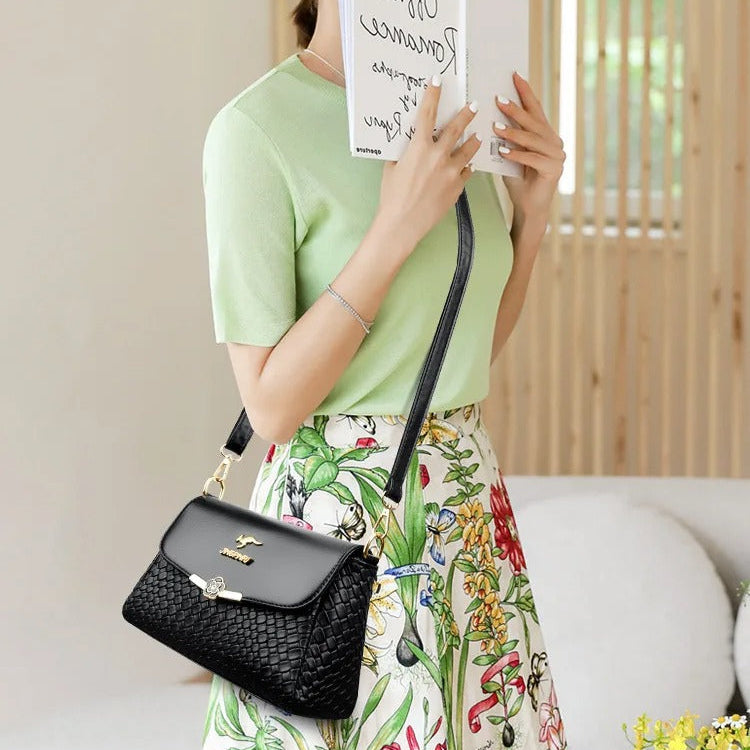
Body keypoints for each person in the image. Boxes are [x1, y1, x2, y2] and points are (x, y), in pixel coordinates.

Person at [200, 1, 567, 748]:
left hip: (465, 514)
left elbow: (461, 356)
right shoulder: (256, 130)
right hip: (332, 527)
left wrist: (530, 218)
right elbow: (269, 407)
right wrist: (395, 228)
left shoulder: (453, 117)